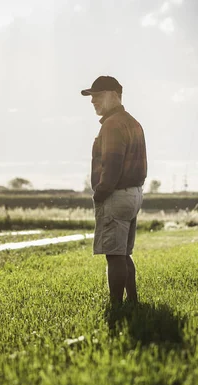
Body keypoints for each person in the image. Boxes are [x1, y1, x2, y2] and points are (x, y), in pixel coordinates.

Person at [81, 76, 147, 304]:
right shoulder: (133, 122)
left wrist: (100, 192)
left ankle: (117, 306)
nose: (93, 102)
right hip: (134, 193)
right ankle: (133, 301)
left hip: (116, 194)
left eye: (97, 96)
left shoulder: (112, 124)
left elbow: (112, 163)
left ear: (113, 95)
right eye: (92, 97)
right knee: (123, 253)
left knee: (114, 254)